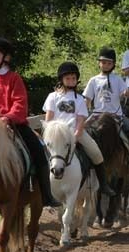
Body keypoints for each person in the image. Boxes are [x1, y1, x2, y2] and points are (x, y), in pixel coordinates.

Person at [0, 37, 60, 207]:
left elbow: (20, 103)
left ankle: (46, 195)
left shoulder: (14, 78)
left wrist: (8, 118)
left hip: (14, 124)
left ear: (6, 58)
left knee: (38, 151)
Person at [44, 61, 117, 197]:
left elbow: (80, 120)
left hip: (74, 133)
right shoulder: (52, 97)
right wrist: (49, 136)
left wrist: (75, 136)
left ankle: (103, 185)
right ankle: (42, 190)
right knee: (40, 154)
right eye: (68, 78)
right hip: (56, 135)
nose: (71, 81)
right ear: (61, 79)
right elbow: (49, 119)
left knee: (96, 152)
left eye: (73, 78)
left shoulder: (80, 100)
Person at [83, 47, 129, 174]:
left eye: (109, 63)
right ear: (99, 63)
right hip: (97, 115)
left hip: (116, 115)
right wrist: (83, 117)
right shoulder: (93, 80)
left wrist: (127, 92)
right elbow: (87, 100)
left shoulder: (117, 79)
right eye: (103, 62)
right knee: (83, 134)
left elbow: (124, 93)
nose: (106, 65)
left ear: (113, 65)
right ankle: (84, 161)